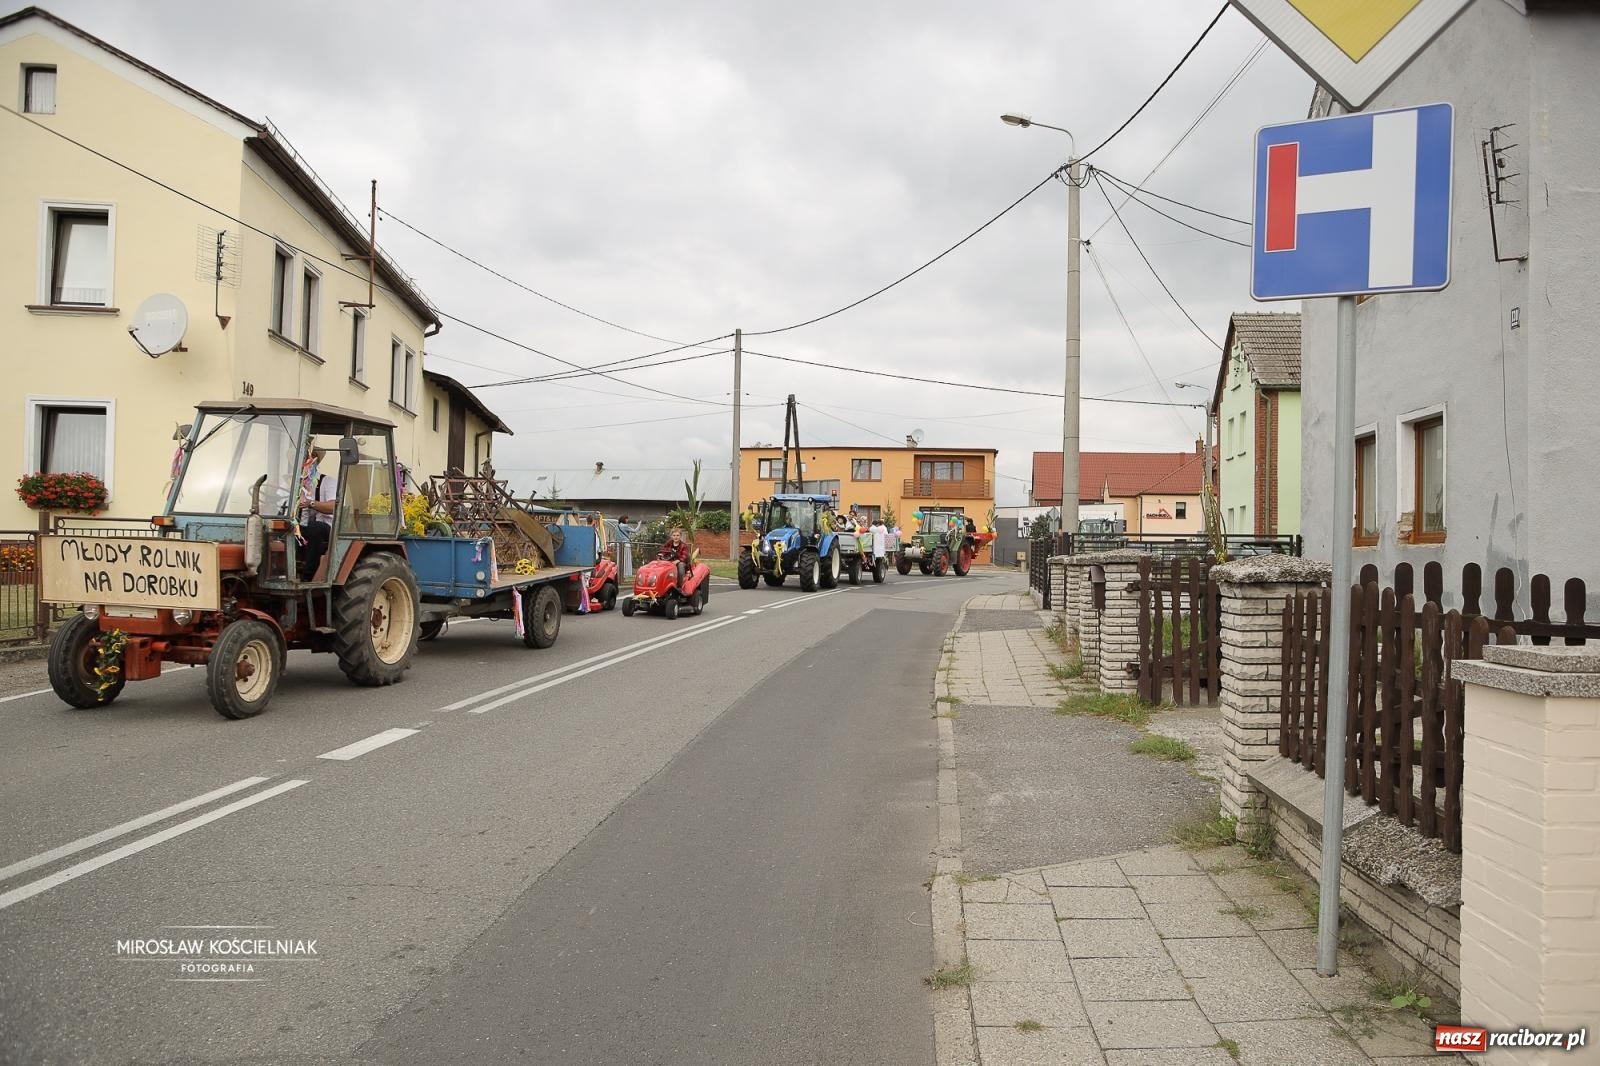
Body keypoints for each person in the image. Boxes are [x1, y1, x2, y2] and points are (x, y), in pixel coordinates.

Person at [299, 447, 337, 579]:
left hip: (328, 528)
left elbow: (333, 506)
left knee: (315, 528)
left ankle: (308, 576)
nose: (307, 462)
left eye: (310, 459)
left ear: (316, 462)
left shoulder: (327, 481)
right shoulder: (294, 483)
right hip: (301, 526)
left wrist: (311, 503)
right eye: (304, 459)